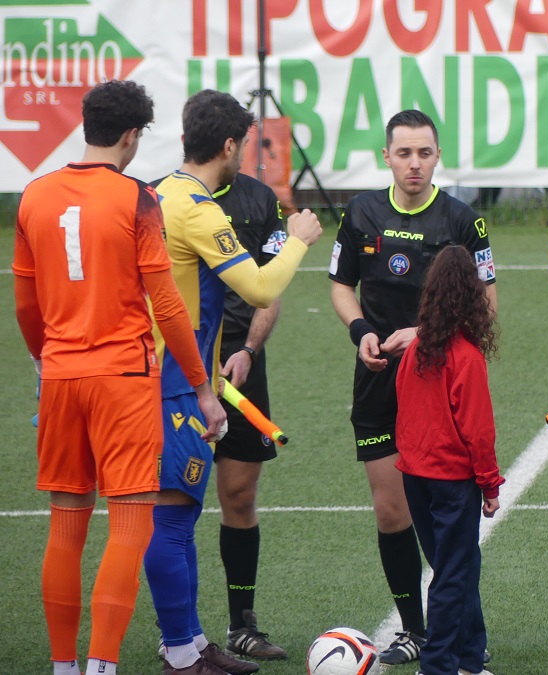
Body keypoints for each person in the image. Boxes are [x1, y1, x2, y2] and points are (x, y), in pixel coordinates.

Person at [13, 80, 226, 675]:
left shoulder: (33, 195)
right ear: (132, 135)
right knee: (131, 524)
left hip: (61, 375)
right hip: (124, 379)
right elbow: (169, 306)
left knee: (65, 527)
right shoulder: (138, 199)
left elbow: (26, 305)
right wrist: (202, 388)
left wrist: (43, 361)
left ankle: (63, 666)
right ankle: (102, 665)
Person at [143, 89, 322, 675]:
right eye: (243, 142)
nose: (246, 152)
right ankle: (176, 651)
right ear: (228, 145)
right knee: (169, 519)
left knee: (180, 514)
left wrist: (240, 353)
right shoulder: (198, 208)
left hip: (178, 373)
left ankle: (193, 642)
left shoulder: (158, 195)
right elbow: (261, 287)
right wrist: (299, 238)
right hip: (175, 381)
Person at [329, 109, 498, 666]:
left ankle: (460, 638)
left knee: (446, 528)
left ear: (437, 156)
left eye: (424, 153)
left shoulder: (464, 221)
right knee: (391, 513)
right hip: (378, 379)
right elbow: (341, 286)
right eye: (404, 153)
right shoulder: (361, 213)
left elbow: (485, 304)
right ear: (387, 156)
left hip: (436, 384)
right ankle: (414, 630)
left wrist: (425, 335)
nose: (415, 163)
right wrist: (361, 332)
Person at [395, 245, 504, 675]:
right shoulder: (467, 357)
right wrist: (490, 485)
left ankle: (469, 659)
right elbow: (478, 431)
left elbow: (404, 410)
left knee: (457, 567)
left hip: (415, 477)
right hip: (452, 483)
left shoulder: (415, 351)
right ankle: (438, 665)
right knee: (453, 575)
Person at [213, 172, 290, 660]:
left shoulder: (260, 199)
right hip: (180, 371)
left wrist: (248, 349)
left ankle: (241, 625)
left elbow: (272, 284)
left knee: (239, 495)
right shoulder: (161, 195)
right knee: (173, 502)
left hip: (241, 369)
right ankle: (175, 631)